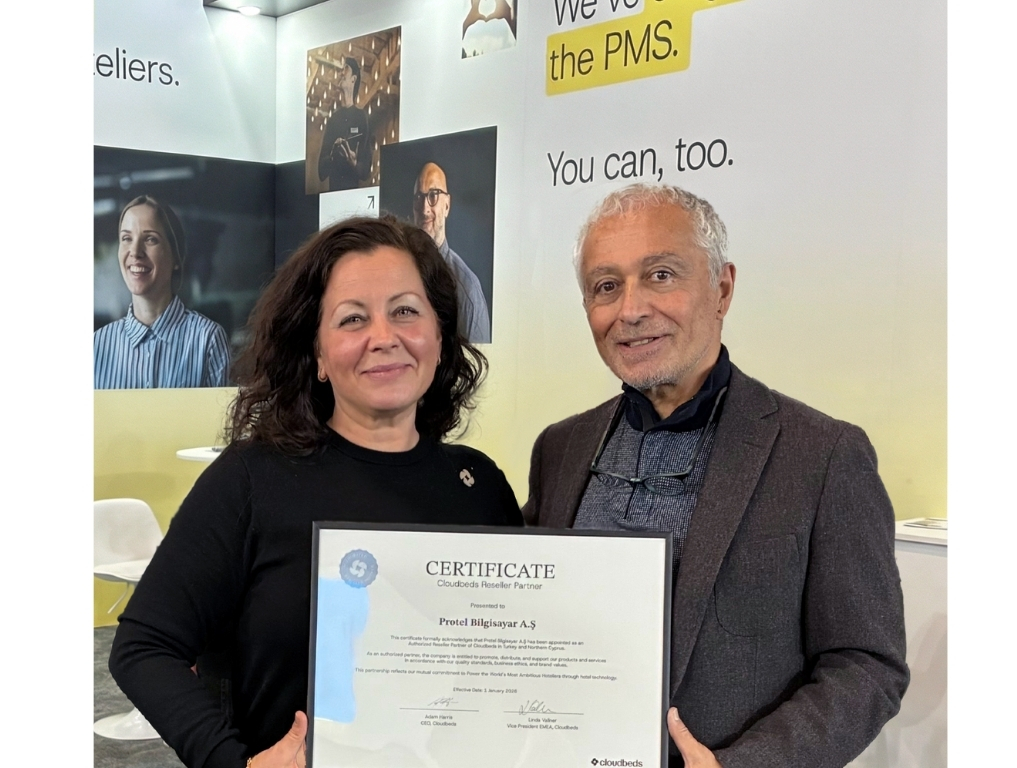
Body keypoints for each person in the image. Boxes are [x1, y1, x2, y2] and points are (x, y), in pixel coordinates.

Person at [109, 216, 523, 768]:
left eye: (405, 311)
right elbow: (143, 647)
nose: (384, 337)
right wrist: (233, 762)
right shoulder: (251, 478)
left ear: (440, 335)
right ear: (320, 355)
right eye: (353, 319)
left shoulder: (480, 486)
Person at [522, 183, 909, 768]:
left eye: (660, 275)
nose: (631, 310)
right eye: (606, 286)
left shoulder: (824, 455)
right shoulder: (560, 448)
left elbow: (867, 664)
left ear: (722, 289)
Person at [94, 195, 231, 389]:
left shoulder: (208, 340)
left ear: (176, 256)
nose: (135, 251)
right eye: (126, 238)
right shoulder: (97, 346)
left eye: (150, 239)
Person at [413, 162, 491, 343]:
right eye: (419, 197)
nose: (424, 208)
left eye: (433, 195)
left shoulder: (467, 292)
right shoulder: (400, 275)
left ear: (447, 206)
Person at [316, 56, 371, 192]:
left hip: (353, 196)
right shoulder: (333, 119)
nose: (341, 73)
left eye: (345, 69)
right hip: (333, 195)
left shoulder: (362, 117)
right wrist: (333, 155)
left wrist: (354, 163)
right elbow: (321, 172)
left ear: (353, 79)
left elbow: (365, 172)